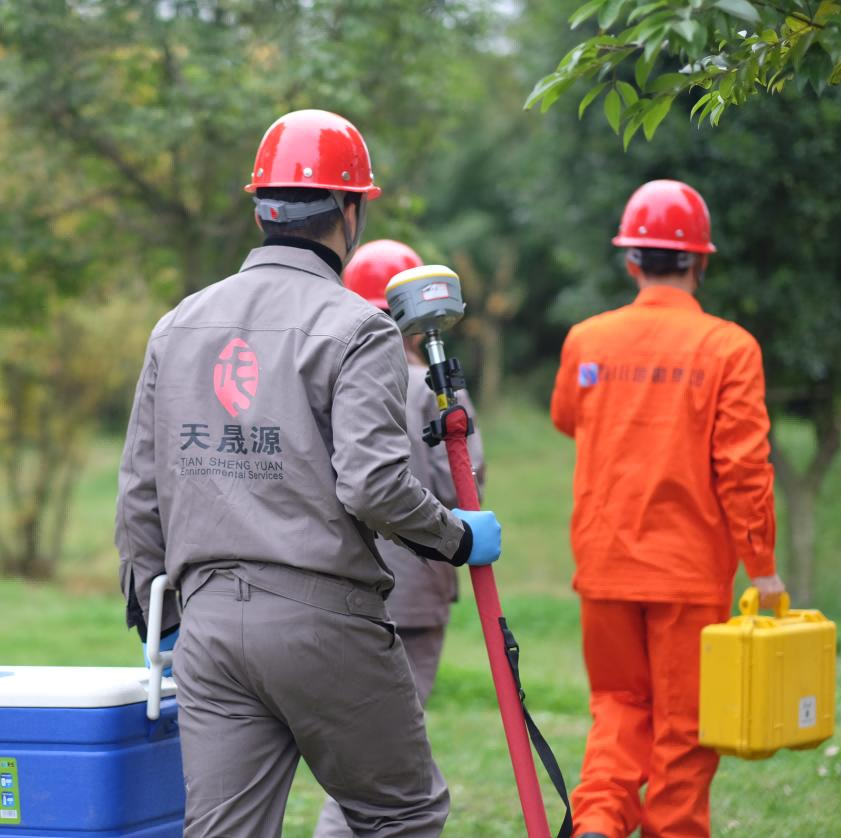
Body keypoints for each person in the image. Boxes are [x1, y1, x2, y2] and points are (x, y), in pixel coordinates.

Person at [115, 108, 503, 838]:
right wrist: (455, 537)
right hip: (324, 623)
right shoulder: (358, 328)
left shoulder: (177, 324)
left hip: (207, 629)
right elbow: (373, 484)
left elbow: (140, 491)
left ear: (261, 208)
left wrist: (161, 621)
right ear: (350, 211)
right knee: (401, 813)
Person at [550, 179, 785, 838]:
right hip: (687, 573)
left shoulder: (586, 339)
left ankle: (597, 824)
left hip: (604, 564)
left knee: (617, 707)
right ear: (698, 262)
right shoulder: (729, 348)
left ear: (631, 260)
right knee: (684, 728)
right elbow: (743, 468)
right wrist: (762, 567)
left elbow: (567, 417)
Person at [312, 239, 486, 837]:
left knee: (357, 754)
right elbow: (466, 482)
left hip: (336, 586)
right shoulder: (430, 387)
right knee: (380, 769)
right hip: (414, 593)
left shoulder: (324, 374)